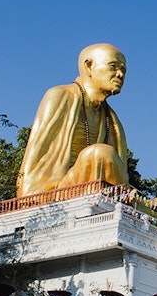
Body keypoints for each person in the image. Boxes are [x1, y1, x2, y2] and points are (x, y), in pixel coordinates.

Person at [17, 43, 131, 197]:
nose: (120, 74)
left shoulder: (112, 119)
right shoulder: (59, 96)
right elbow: (34, 162)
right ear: (89, 66)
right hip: (56, 188)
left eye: (123, 70)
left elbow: (120, 177)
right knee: (100, 153)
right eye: (113, 66)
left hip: (94, 186)